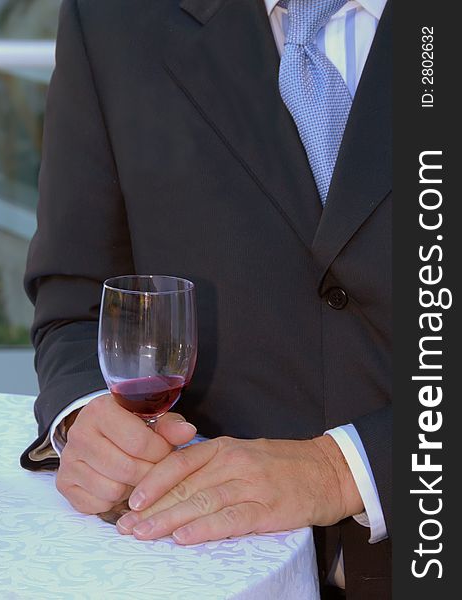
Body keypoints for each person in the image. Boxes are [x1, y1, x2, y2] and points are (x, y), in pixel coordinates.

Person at [20, 0, 392, 598]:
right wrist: (87, 416)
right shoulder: (109, 16)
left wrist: (344, 470)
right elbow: (76, 297)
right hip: (199, 565)